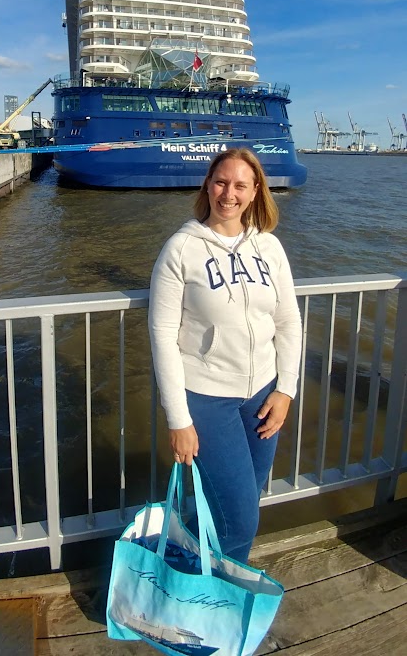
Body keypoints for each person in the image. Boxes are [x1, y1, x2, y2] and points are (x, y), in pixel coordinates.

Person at [148, 147, 302, 563]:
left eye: (239, 185)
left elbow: (289, 322)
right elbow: (162, 336)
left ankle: (197, 579)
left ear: (255, 192)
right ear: (207, 186)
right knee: (240, 520)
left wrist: (285, 389)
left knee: (240, 503)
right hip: (207, 399)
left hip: (263, 398)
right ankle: (219, 599)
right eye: (220, 182)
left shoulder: (269, 249)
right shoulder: (181, 249)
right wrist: (179, 420)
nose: (228, 193)